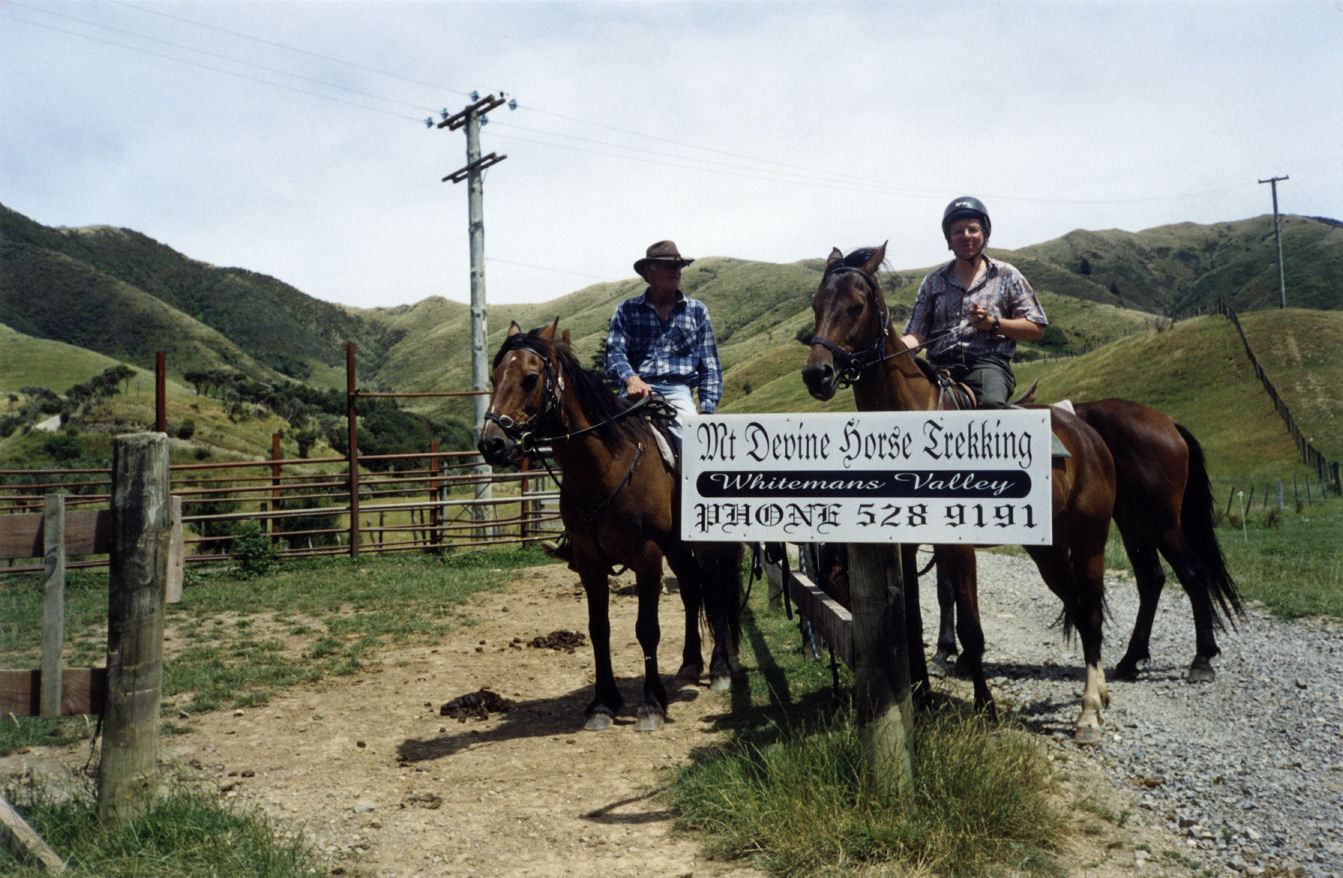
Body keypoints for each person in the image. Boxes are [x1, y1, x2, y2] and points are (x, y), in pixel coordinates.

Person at [900, 196, 1048, 409]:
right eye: (958, 231)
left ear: (985, 235)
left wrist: (993, 324)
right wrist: (894, 347)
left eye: (973, 229)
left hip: (988, 364)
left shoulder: (1007, 275)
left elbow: (1036, 328)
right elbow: (917, 335)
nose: (966, 236)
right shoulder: (932, 282)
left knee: (990, 405)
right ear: (949, 240)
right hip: (938, 367)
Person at [604, 240, 723, 450]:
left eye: (679, 266)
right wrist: (631, 379)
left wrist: (706, 411)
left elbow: (710, 366)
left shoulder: (696, 311)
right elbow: (615, 353)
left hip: (678, 391)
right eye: (669, 266)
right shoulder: (626, 310)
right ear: (649, 272)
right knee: (605, 443)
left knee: (693, 447)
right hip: (635, 392)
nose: (676, 271)